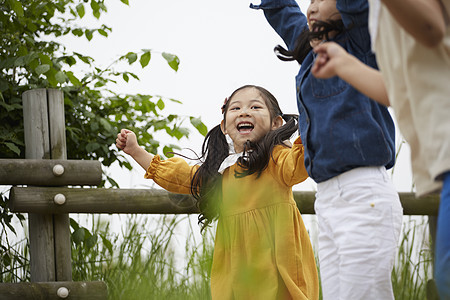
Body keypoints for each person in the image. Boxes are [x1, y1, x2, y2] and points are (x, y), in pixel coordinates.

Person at [249, 1, 403, 299]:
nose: (312, 5)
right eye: (311, 1)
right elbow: (281, 8)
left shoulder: (361, 46)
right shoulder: (311, 55)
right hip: (328, 201)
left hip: (364, 195)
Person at [116, 85, 320, 300]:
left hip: (278, 259)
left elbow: (299, 164)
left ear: (276, 123)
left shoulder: (277, 158)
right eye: (235, 108)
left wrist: (313, 117)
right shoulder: (222, 170)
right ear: (224, 126)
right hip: (236, 265)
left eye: (255, 106)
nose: (244, 112)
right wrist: (136, 151)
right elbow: (180, 176)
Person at [311, 1, 450, 298]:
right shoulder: (380, 17)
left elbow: (431, 28)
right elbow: (399, 90)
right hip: (441, 163)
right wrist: (343, 63)